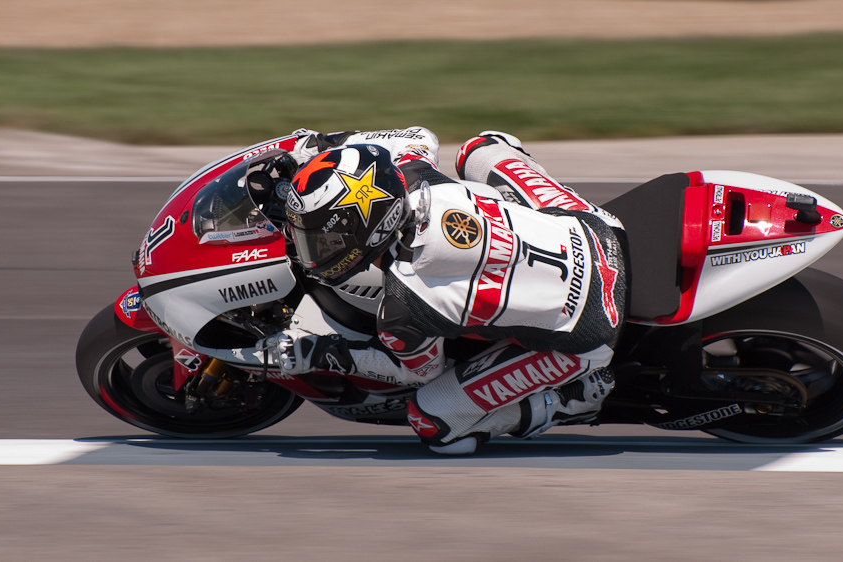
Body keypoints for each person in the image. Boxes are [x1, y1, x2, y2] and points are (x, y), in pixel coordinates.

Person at [258, 126, 626, 454]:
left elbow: (420, 373)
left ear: (366, 229)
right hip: (598, 230)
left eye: (325, 239)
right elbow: (419, 135)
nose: (317, 251)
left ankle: (566, 399)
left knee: (434, 421)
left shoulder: (403, 305)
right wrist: (326, 145)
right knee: (480, 148)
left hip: (592, 330)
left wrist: (321, 352)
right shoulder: (415, 173)